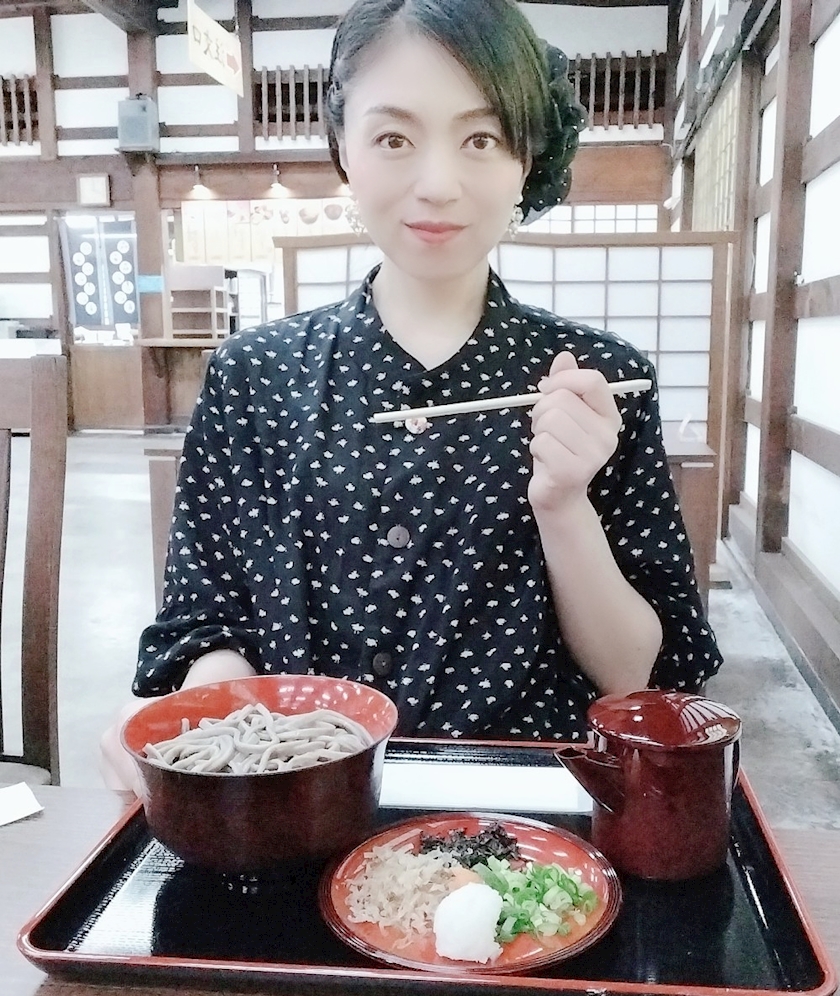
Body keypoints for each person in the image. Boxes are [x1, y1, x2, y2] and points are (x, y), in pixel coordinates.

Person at [101, 0, 722, 791]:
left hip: (526, 811)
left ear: (526, 156)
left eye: (481, 139)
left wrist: (563, 502)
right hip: (305, 798)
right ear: (343, 146)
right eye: (394, 138)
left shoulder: (599, 380)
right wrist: (218, 737)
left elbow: (637, 673)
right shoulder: (252, 377)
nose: (438, 185)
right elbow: (207, 621)